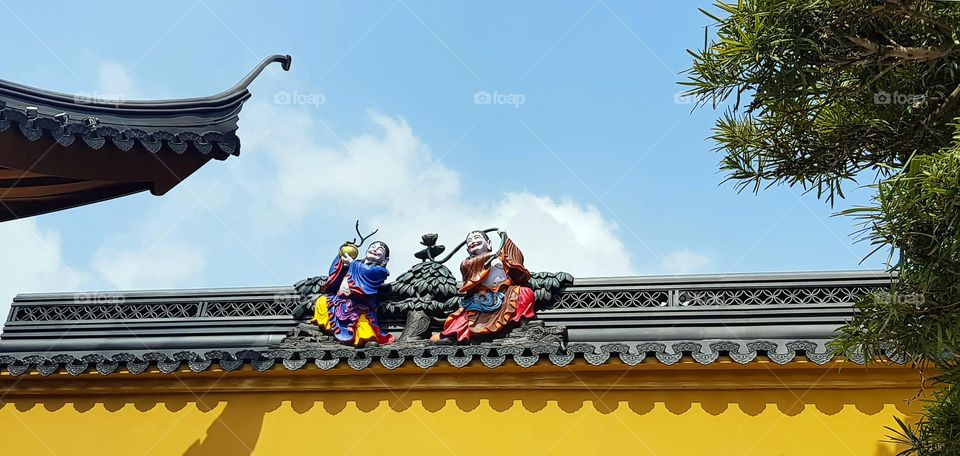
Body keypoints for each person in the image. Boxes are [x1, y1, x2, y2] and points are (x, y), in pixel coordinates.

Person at [440, 230, 535, 343]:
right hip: (482, 297)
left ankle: (521, 322)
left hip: (507, 292)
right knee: (465, 317)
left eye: (477, 237)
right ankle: (453, 335)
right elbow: (472, 270)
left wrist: (505, 238)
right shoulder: (468, 263)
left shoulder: (500, 256)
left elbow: (516, 258)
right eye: (469, 241)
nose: (473, 241)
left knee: (525, 293)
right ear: (468, 250)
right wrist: (491, 255)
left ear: (488, 243)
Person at [312, 241, 395, 346]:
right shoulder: (355, 265)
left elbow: (367, 272)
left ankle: (365, 339)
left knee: (362, 321)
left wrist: (352, 263)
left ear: (385, 260)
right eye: (372, 247)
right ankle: (327, 328)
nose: (374, 249)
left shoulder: (379, 271)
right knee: (322, 301)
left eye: (380, 250)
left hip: (359, 306)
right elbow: (333, 275)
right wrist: (341, 257)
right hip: (339, 301)